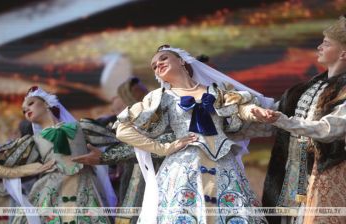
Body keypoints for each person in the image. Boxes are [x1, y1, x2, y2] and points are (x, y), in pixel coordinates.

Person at [114, 45, 273, 223]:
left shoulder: (216, 91)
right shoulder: (160, 97)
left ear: (181, 61)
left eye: (163, 58)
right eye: (154, 66)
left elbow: (240, 108)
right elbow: (123, 128)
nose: (158, 64)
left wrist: (254, 111)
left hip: (223, 164)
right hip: (183, 169)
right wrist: (163, 148)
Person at [253, 16, 346, 224]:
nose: (320, 47)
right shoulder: (301, 89)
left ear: (343, 53)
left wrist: (284, 121)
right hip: (291, 173)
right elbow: (271, 119)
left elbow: (330, 129)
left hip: (326, 172)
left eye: (327, 43)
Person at [0, 86, 111, 224]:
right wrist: (31, 169)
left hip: (86, 190)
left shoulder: (82, 128)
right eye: (23, 110)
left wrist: (102, 158)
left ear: (46, 103)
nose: (26, 109)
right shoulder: (33, 142)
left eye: (30, 103)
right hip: (50, 193)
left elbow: (117, 142)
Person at [73, 77, 175, 224]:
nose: (118, 115)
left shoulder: (166, 109)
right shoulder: (119, 125)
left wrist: (107, 156)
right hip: (134, 173)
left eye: (121, 109)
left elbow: (161, 143)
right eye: (116, 111)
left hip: (163, 172)